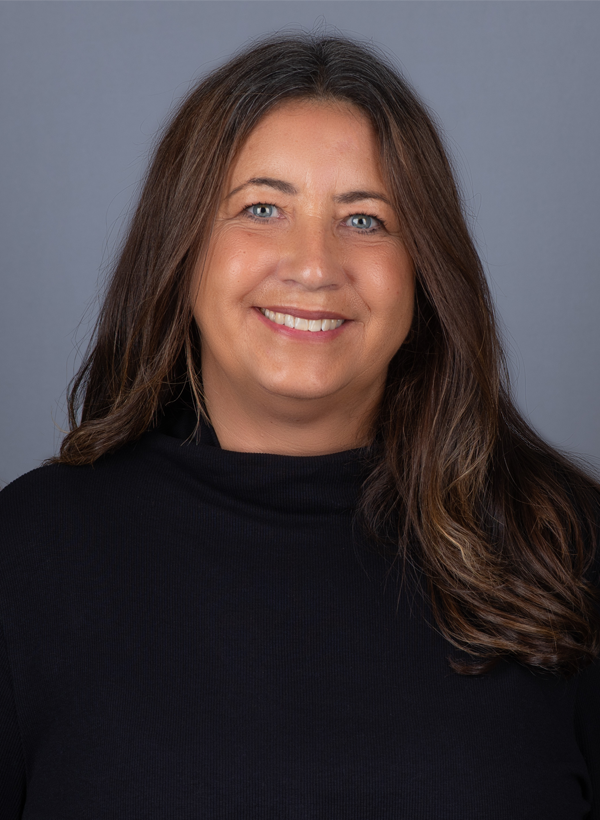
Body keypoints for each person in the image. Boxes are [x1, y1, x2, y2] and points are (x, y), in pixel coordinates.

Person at [0, 32, 598, 819]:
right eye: (261, 208)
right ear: (181, 251)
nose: (314, 265)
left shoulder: (563, 546)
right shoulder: (30, 555)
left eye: (365, 220)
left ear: (424, 269)